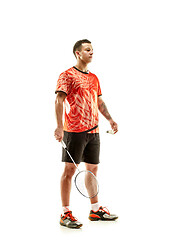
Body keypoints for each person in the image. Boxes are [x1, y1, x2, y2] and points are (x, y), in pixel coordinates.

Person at [54, 39, 118, 229]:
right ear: (77, 53)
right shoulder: (67, 75)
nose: (91, 52)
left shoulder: (94, 78)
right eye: (87, 50)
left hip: (94, 131)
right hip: (74, 131)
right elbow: (59, 100)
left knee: (92, 170)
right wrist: (59, 127)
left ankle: (95, 209)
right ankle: (65, 212)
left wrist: (111, 119)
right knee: (69, 171)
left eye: (92, 50)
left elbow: (99, 102)